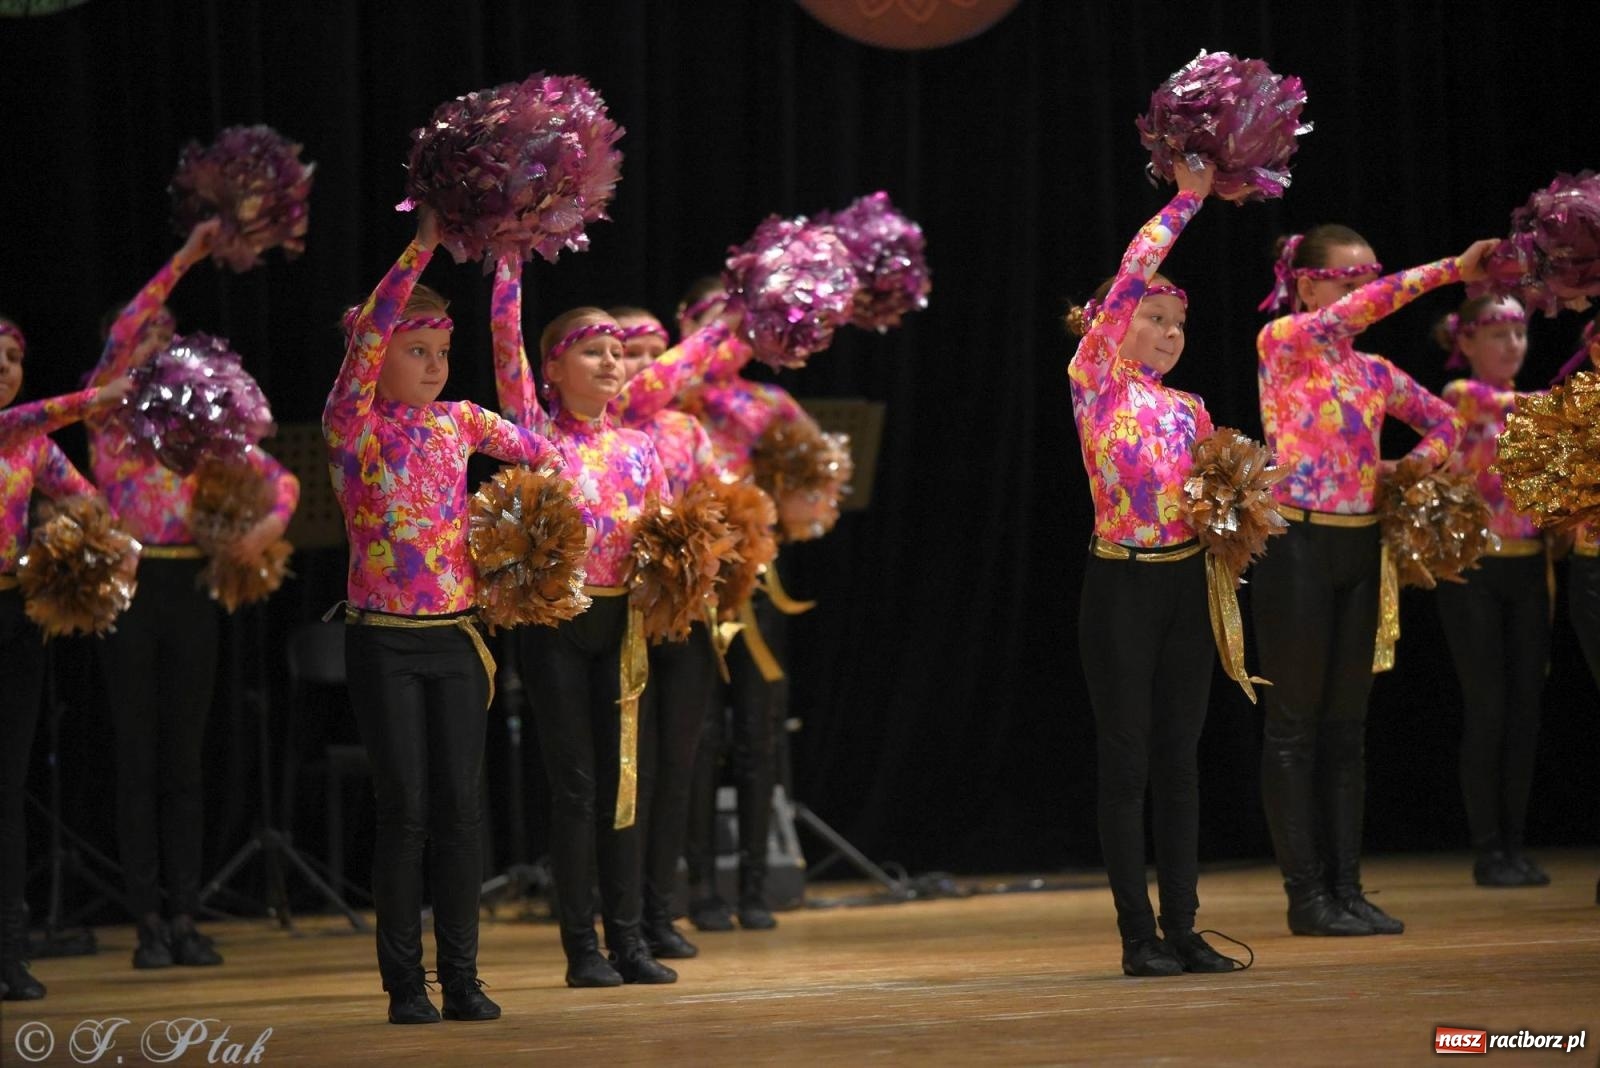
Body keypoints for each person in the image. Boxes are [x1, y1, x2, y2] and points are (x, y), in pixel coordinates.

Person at [325, 207, 562, 1023]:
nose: (432, 366)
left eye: (440, 354)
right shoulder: (351, 427)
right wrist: (423, 242)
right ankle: (405, 986)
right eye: (414, 352)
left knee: (463, 812)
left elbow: (539, 442)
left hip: (460, 640)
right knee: (408, 813)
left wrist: (510, 274)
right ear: (377, 354)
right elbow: (365, 343)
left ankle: (463, 978)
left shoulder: (460, 423)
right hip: (383, 643)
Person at [1252, 223, 1495, 935]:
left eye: (1370, 276)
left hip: (1360, 550)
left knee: (1346, 729)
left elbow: (1449, 422)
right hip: (1296, 546)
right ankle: (1306, 896)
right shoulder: (1285, 343)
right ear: (1308, 284)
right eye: (1347, 279)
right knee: (1294, 728)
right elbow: (1354, 316)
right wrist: (1452, 267)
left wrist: (1406, 468)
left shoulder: (1375, 373)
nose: (1361, 292)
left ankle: (1348, 889)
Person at [85, 218, 299, 970]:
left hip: (191, 585)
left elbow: (282, 479)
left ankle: (185, 912)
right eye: (147, 335)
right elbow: (126, 332)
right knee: (137, 756)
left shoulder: (199, 429)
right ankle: (145, 918)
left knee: (184, 758)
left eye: (168, 336)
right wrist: (185, 256)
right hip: (128, 586)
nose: (155, 344)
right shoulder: (107, 417)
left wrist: (262, 530)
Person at [1065, 161, 1243, 977]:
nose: (1169, 332)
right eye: (1153, 317)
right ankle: (1136, 935)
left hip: (1186, 587)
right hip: (1121, 589)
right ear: (1114, 323)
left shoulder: (1191, 408)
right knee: (1128, 759)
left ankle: (1185, 927)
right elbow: (1136, 267)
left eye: (1178, 321)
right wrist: (1188, 198)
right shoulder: (1095, 382)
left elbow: (1219, 501)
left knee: (1181, 760)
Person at [493, 292, 679, 987]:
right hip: (557, 627)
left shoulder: (640, 449)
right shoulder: (537, 436)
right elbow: (503, 343)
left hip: (623, 626)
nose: (611, 361)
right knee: (575, 787)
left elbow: (663, 532)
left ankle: (629, 942)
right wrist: (509, 258)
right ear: (553, 367)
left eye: (617, 352)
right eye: (593, 350)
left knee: (623, 787)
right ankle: (582, 950)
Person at [0, 317, 131, 1000]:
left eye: (14, 356)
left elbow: (88, 504)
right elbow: (25, 417)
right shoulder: (18, 429)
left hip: (15, 620)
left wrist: (63, 536)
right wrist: (98, 396)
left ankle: (8, 956)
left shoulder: (34, 450)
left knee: (7, 792)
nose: (4, 366)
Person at [1433, 296, 1551, 887]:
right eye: (1498, 333)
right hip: (1474, 571)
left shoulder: (1538, 408)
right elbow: (1495, 407)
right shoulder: (1464, 396)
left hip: (1529, 569)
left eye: (1520, 333)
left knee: (1525, 711)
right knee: (1489, 709)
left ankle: (1516, 844)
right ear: (1468, 343)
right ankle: (1487, 848)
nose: (1512, 345)